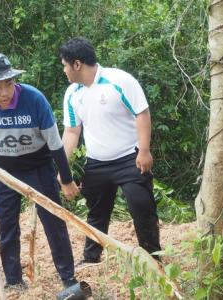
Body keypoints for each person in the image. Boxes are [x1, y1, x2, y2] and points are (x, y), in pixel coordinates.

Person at [0, 53, 80, 289]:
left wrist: (66, 179)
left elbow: (55, 143)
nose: (4, 92)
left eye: (8, 84)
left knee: (53, 222)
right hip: (4, 170)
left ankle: (68, 277)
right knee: (7, 226)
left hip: (38, 167)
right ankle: (14, 281)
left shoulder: (34, 99)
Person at [59, 37, 161, 265]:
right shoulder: (72, 94)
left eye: (65, 65)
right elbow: (72, 132)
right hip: (97, 163)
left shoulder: (119, 80)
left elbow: (142, 114)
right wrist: (62, 167)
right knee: (96, 212)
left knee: (142, 208)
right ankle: (90, 258)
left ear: (77, 64)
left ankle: (154, 259)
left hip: (130, 159)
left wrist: (144, 151)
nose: (64, 70)